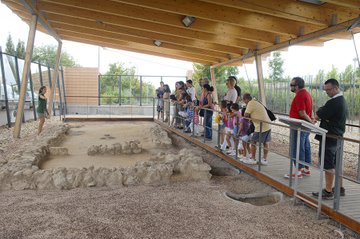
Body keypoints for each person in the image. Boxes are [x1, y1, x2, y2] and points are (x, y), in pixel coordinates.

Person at [312, 79, 348, 200]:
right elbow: (323, 111)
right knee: (337, 163)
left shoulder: (334, 102)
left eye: (329, 90)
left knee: (328, 164)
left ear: (336, 88)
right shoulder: (341, 100)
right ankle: (339, 188)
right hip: (337, 136)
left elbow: (321, 113)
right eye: (326, 90)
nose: (327, 92)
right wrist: (322, 111)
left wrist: (320, 112)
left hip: (330, 136)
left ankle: (328, 191)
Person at [285, 77, 314, 179]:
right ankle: (306, 168)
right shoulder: (307, 94)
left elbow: (302, 113)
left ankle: (298, 171)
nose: (291, 87)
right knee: (305, 146)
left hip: (298, 126)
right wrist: (310, 121)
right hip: (305, 126)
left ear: (297, 86)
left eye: (292, 85)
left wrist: (310, 121)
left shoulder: (300, 95)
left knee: (297, 146)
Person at [243, 93, 272, 165]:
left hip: (260, 126)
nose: (245, 103)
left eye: (244, 101)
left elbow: (245, 115)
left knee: (253, 142)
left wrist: (249, 117)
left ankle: (253, 159)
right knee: (265, 142)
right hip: (267, 124)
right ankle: (264, 159)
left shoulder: (250, 103)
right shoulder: (256, 101)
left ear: (246, 99)